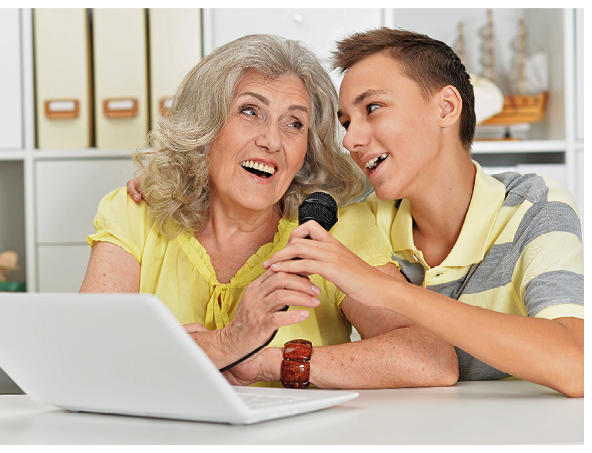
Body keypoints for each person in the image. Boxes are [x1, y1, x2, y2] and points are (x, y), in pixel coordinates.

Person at [82, 33, 458, 389]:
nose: (272, 141)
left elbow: (431, 359)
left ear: (306, 151)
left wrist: (269, 362)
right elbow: (83, 355)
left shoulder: (333, 232)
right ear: (203, 124)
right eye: (250, 111)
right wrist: (228, 343)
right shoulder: (135, 213)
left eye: (294, 123)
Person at [264, 28, 584, 397]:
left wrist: (385, 290)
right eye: (347, 122)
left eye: (372, 108)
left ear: (446, 107)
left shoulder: (533, 205)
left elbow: (576, 364)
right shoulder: (364, 223)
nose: (351, 140)